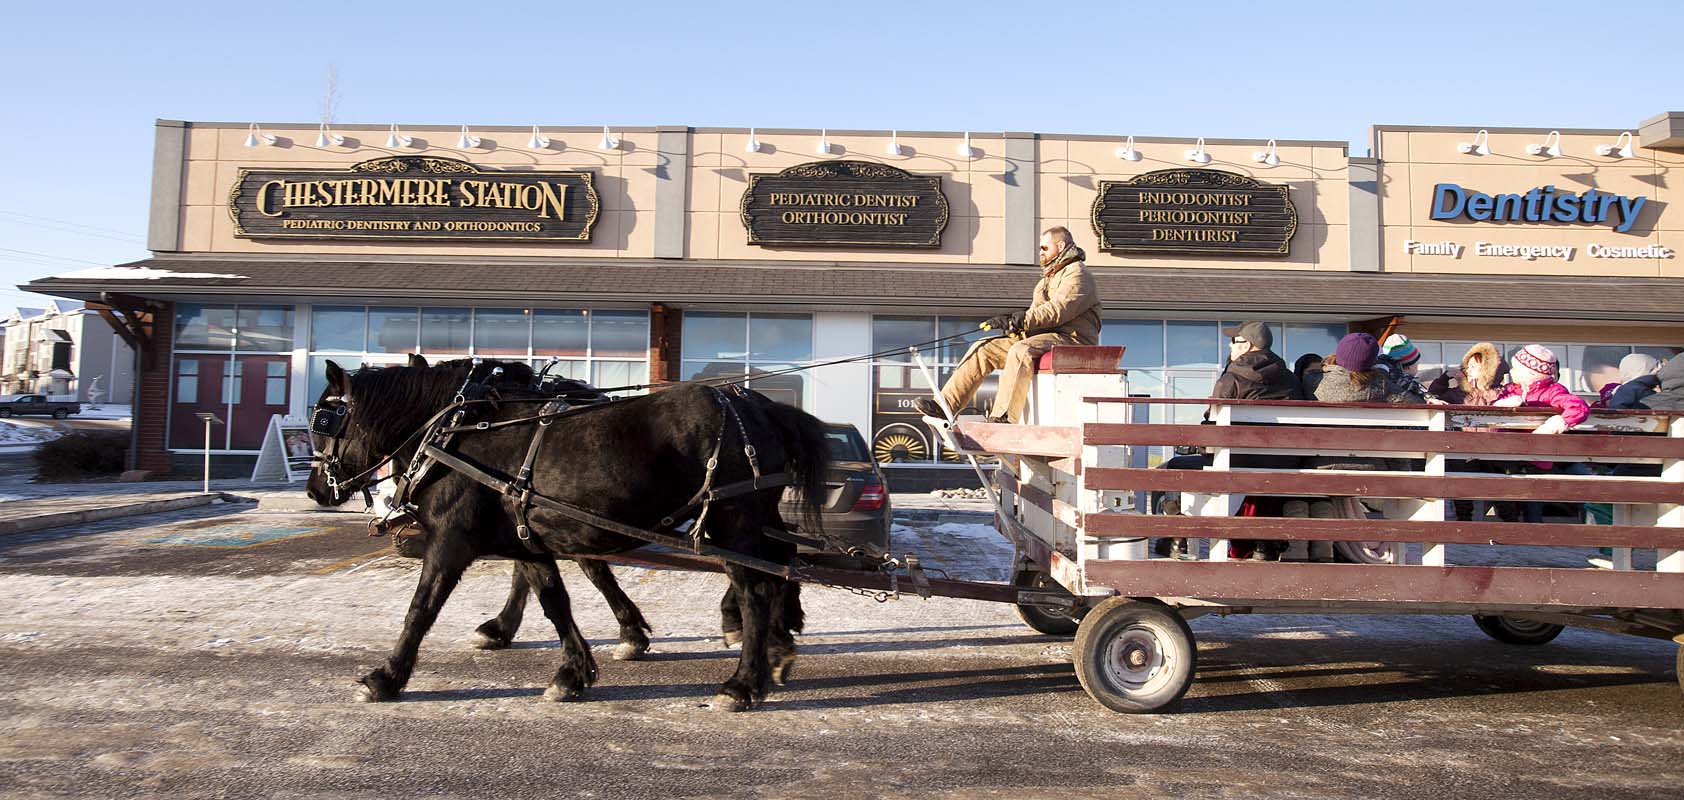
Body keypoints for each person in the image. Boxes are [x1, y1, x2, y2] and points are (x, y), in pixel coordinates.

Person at [913, 227, 1100, 424]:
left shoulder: (1077, 275)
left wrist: (1019, 321)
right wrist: (1013, 325)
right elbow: (1035, 315)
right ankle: (946, 406)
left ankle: (1003, 417)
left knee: (1021, 350)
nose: (1040, 252)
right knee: (984, 347)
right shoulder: (1050, 277)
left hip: (1073, 339)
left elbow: (1057, 311)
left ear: (1061, 246)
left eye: (1044, 247)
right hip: (1048, 337)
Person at [1492, 345, 1590, 524]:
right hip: (1507, 451)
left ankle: (1532, 526)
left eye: (1517, 368)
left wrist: (1557, 423)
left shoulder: (1552, 391)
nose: (1512, 371)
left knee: (1533, 493)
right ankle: (1510, 524)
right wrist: (1504, 404)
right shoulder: (1511, 390)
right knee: (1501, 486)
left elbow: (1578, 407)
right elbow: (1491, 410)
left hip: (1537, 454)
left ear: (1530, 372)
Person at [1426, 342, 1508, 522]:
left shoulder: (1501, 393)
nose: (1468, 370)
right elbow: (1434, 396)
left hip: (1494, 448)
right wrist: (1444, 378)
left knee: (1502, 479)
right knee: (1459, 471)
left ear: (1487, 369)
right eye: (1467, 366)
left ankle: (1509, 518)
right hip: (1464, 448)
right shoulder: (1460, 393)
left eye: (1474, 367)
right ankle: (1464, 517)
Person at [1377, 333, 1435, 403]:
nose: (1418, 363)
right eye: (1416, 363)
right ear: (1408, 366)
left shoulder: (1385, 378)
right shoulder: (1402, 386)